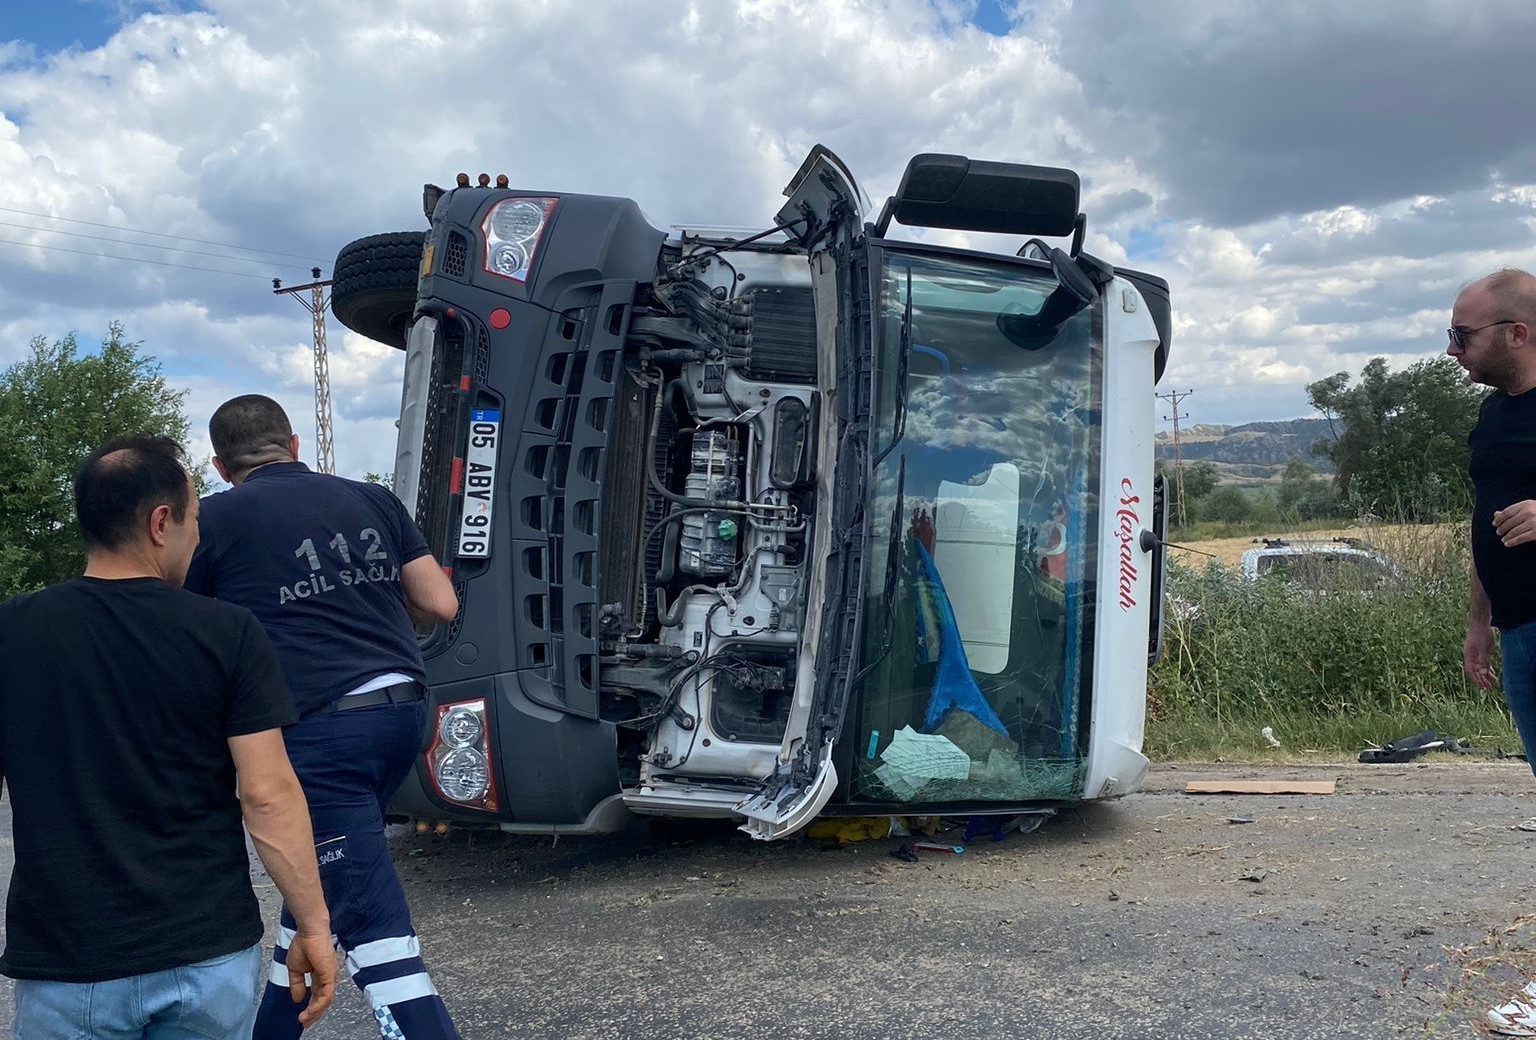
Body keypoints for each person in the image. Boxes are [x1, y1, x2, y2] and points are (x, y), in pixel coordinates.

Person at [0, 435, 336, 1037]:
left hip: (66, 961)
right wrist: (312, 926)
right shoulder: (227, 632)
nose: (198, 537)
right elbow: (267, 794)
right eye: (195, 519)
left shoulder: (13, 631)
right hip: (202, 953)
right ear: (161, 523)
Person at [185, 395, 461, 1039]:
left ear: (222, 467)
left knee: (372, 928)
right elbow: (439, 604)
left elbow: (186, 630)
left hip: (318, 734)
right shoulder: (372, 500)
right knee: (317, 892)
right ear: (295, 445)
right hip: (402, 717)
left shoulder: (214, 521)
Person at [1446, 268, 1536, 1036]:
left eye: (1462, 334)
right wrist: (1480, 622)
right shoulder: (1491, 415)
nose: (1451, 349)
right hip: (1520, 628)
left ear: (1517, 332)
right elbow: (1487, 518)